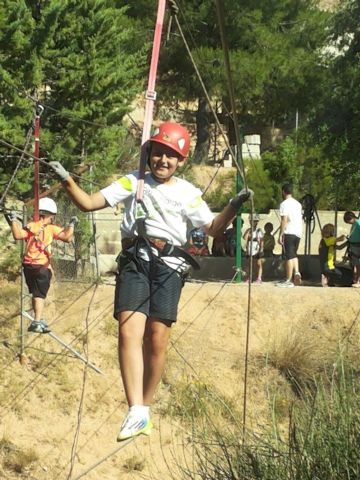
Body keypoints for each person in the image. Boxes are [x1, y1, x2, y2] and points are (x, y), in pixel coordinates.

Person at [48, 122, 252, 441]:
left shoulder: (186, 193)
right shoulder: (134, 182)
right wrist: (66, 180)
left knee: (157, 338)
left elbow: (212, 228)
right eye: (158, 154)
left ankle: (146, 404)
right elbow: (88, 203)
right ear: (150, 154)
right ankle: (136, 410)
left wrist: (233, 206)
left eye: (171, 157)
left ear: (180, 161)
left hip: (169, 267)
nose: (163, 161)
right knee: (129, 330)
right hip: (135, 261)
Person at [8, 198, 77, 333]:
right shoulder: (51, 229)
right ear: (46, 215)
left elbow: (17, 235)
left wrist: (13, 220)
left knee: (35, 293)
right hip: (41, 267)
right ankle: (37, 321)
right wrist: (72, 224)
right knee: (39, 295)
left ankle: (38, 318)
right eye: (52, 216)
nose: (52, 219)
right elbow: (67, 237)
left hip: (28, 266)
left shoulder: (31, 226)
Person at [277, 183, 302, 288]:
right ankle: (297, 272)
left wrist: (280, 234)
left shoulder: (284, 204)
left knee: (288, 257)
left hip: (289, 232)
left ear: (283, 192)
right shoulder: (298, 204)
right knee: (293, 255)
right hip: (298, 232)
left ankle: (288, 280)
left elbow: (284, 220)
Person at [243, 213, 264, 284]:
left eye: (255, 221)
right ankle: (250, 277)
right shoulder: (248, 230)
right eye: (252, 221)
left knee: (258, 264)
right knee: (249, 264)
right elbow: (245, 239)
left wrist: (261, 250)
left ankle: (259, 278)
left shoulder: (259, 231)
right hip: (249, 249)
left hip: (256, 249)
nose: (254, 222)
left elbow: (261, 241)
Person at [344, 211, 360, 287]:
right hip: (354, 246)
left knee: (358, 265)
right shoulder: (354, 224)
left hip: (357, 246)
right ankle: (356, 279)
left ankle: (358, 281)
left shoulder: (358, 223)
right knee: (355, 264)